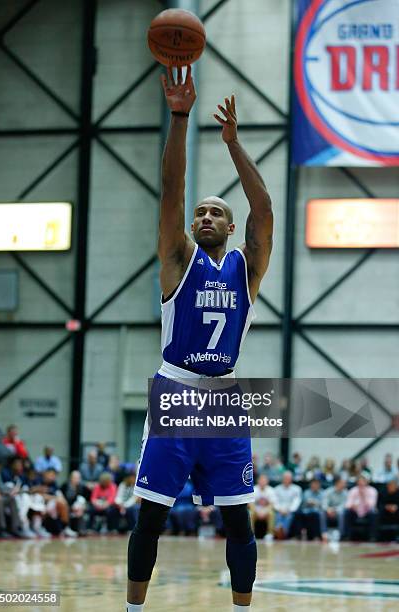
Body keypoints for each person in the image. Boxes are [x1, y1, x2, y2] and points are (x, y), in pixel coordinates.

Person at [127, 65, 273, 612]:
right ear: (191, 226)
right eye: (201, 213)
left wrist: (233, 144)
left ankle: (241, 609)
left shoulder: (246, 268)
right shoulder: (178, 261)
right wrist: (180, 118)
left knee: (239, 519)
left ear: (230, 228)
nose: (206, 215)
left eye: (217, 212)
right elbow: (171, 187)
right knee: (152, 516)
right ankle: (133, 608)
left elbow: (264, 209)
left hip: (226, 398)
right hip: (178, 391)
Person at [343, 474, 378, 541]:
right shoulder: (353, 490)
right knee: (347, 512)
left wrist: (364, 496)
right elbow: (347, 505)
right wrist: (352, 506)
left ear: (366, 482)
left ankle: (372, 536)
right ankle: (347, 536)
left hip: (367, 513)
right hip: (355, 513)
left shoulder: (373, 490)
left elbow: (372, 505)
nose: (361, 483)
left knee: (373, 513)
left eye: (363, 481)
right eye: (359, 481)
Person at [273, 471, 302, 539]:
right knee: (278, 515)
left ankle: (283, 532)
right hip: (279, 510)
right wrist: (279, 509)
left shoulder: (297, 489)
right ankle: (279, 529)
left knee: (289, 516)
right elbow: (275, 501)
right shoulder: (277, 489)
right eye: (285, 478)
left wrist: (289, 510)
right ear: (282, 479)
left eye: (288, 478)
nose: (286, 480)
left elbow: (296, 502)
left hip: (290, 510)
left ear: (291, 479)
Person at [249, 474, 275, 540]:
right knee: (250, 513)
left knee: (271, 513)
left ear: (267, 481)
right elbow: (250, 503)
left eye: (264, 481)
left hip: (266, 510)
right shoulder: (254, 489)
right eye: (261, 480)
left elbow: (272, 504)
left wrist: (264, 511)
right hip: (255, 510)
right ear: (258, 481)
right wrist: (257, 512)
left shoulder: (271, 490)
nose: (263, 482)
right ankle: (251, 534)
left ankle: (270, 534)